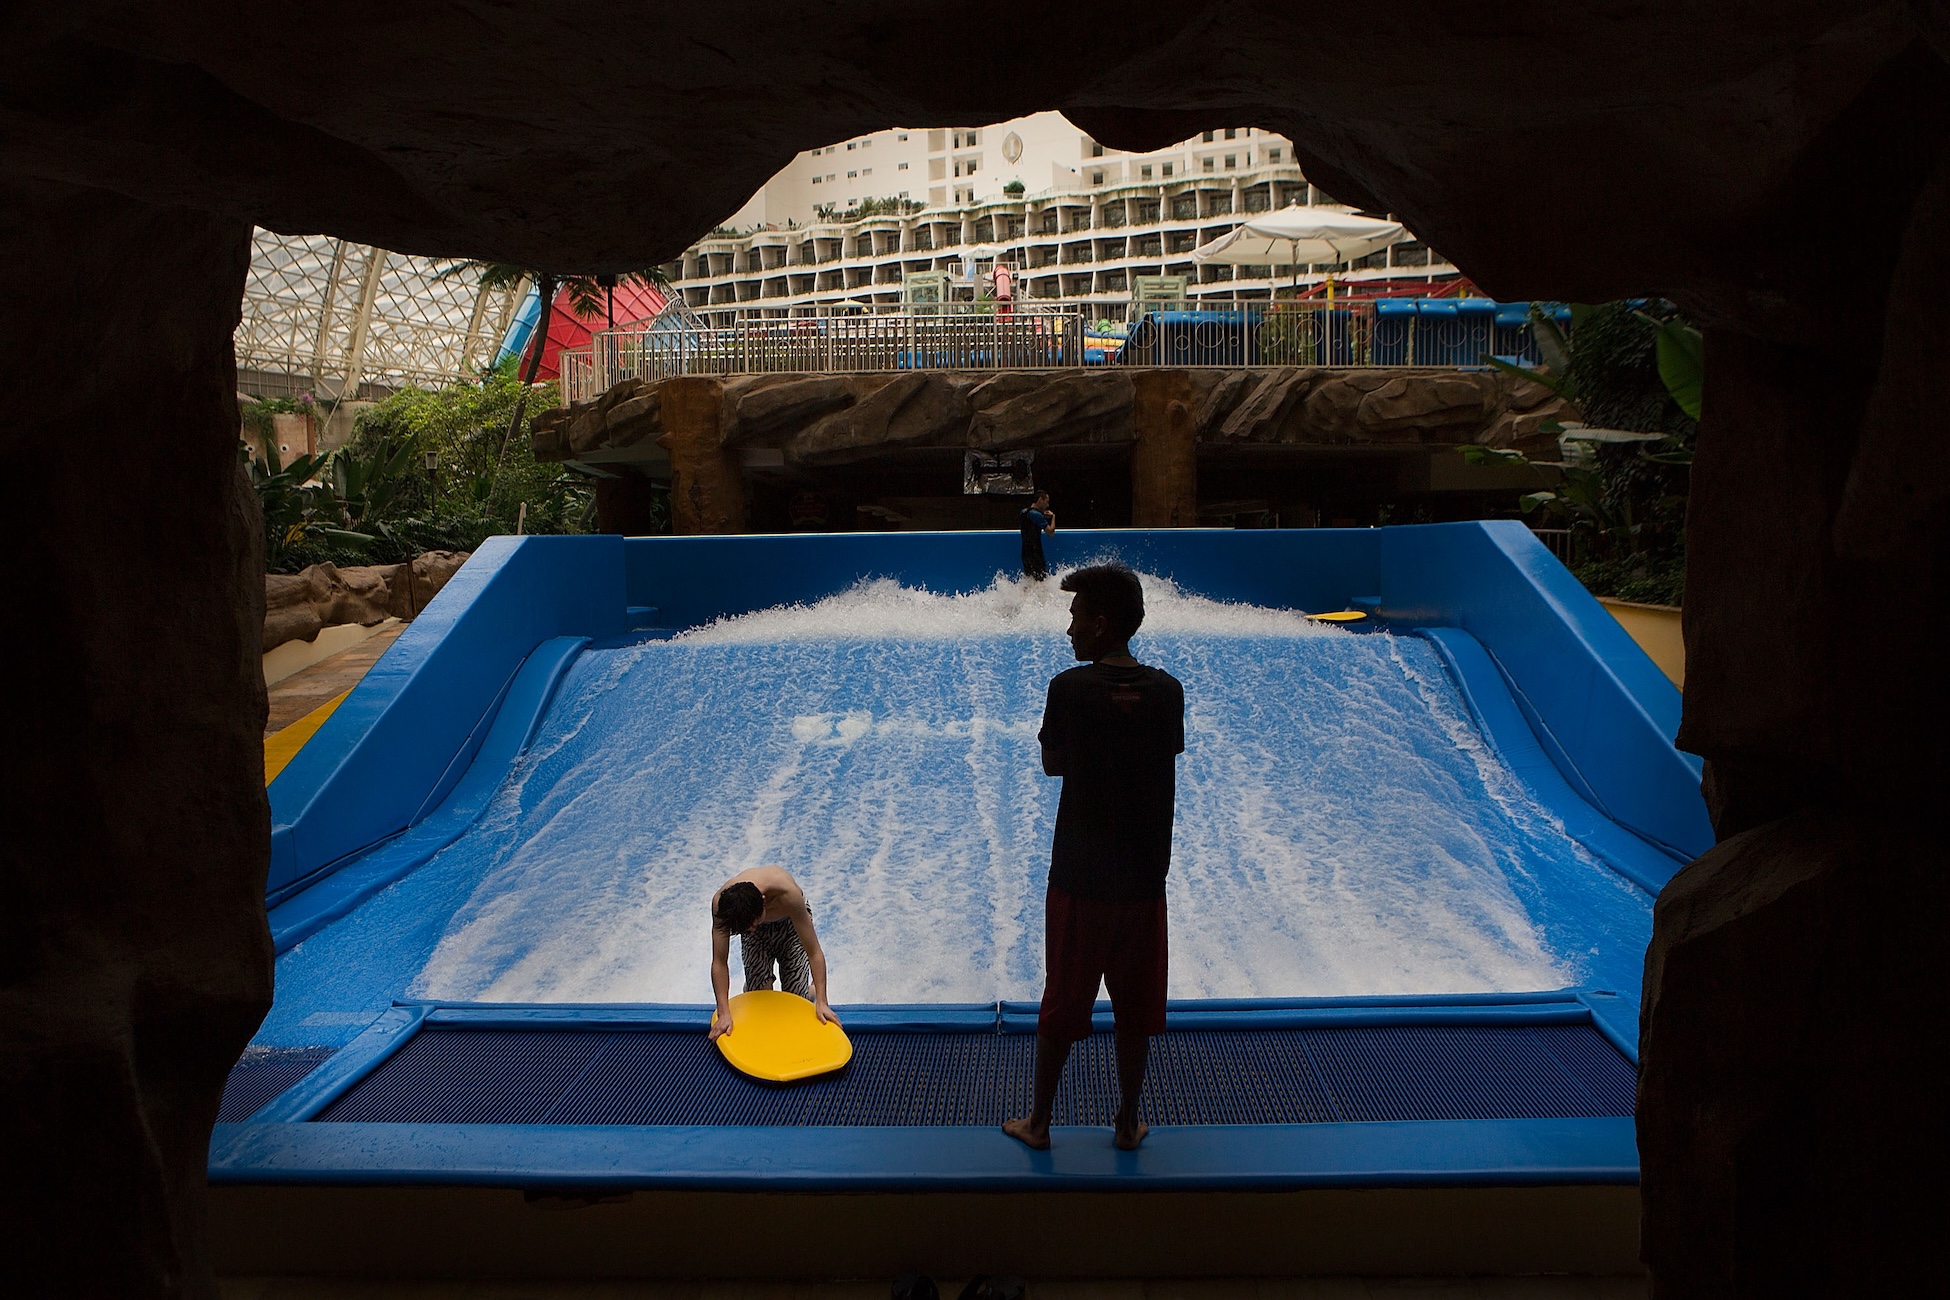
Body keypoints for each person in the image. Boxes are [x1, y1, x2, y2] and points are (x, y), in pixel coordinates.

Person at [1003, 564, 1184, 1151]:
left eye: (1076, 617)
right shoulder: (1166, 691)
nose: (1070, 629)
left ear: (1102, 625)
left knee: (1063, 1003)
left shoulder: (1069, 689)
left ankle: (1040, 1123)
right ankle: (1128, 1121)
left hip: (1080, 879)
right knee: (1135, 1007)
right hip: (1142, 881)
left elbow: (1053, 762)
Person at [708, 864, 840, 1041]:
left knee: (795, 1001)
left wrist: (823, 1003)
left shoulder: (788, 895)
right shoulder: (723, 907)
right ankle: (753, 987)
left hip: (790, 925)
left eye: (754, 924)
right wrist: (723, 1013)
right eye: (747, 929)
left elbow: (814, 952)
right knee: (761, 999)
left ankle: (812, 991)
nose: (753, 929)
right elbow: (719, 962)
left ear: (763, 901)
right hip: (751, 922)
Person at [1019, 489, 1055, 580]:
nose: (1047, 505)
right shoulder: (1037, 516)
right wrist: (1053, 517)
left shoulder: (1023, 512)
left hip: (1025, 552)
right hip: (1035, 552)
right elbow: (1051, 532)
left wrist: (1042, 515)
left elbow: (1031, 518)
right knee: (1041, 578)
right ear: (1040, 500)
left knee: (1030, 578)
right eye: (1046, 502)